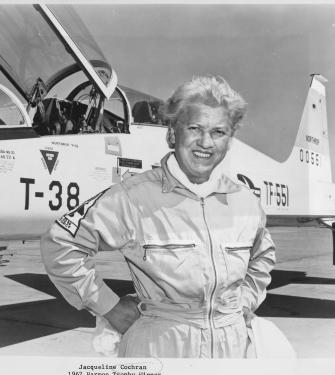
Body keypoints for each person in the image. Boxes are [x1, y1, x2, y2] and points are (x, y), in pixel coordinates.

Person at [40, 75, 275, 358]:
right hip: (159, 349)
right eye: (194, 128)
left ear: (229, 141)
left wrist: (244, 302)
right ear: (173, 134)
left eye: (218, 132)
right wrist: (107, 306)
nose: (205, 142)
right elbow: (60, 243)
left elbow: (263, 255)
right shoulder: (132, 197)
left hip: (232, 349)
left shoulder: (245, 202)